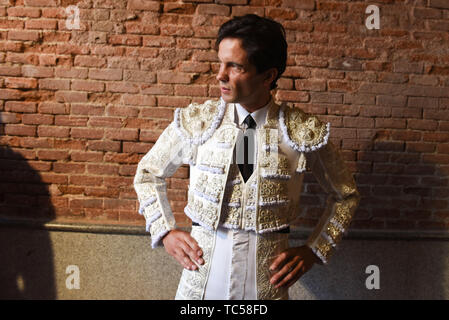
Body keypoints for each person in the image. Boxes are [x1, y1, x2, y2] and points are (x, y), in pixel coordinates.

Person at [134, 14, 360, 300]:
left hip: (265, 285)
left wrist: (314, 249)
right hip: (201, 279)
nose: (220, 75)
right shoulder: (198, 121)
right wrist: (165, 230)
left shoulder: (300, 131)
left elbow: (346, 195)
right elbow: (148, 174)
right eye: (220, 63)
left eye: (235, 66)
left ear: (268, 76)